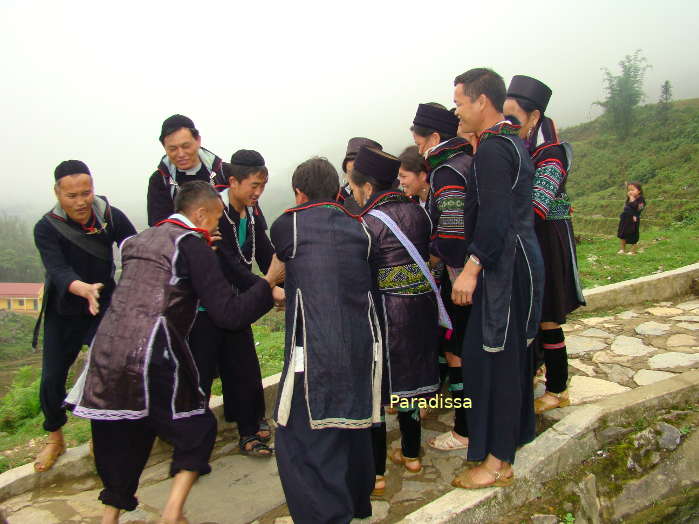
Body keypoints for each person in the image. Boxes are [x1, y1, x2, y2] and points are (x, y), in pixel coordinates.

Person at [65, 181, 284, 524]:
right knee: (196, 427)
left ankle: (109, 518)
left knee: (124, 434)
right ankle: (172, 512)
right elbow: (229, 315)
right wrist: (268, 281)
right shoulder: (194, 247)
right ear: (199, 214)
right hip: (153, 351)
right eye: (213, 220)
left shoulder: (139, 240)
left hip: (106, 351)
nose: (215, 229)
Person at [271, 157, 382, 523]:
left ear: (298, 193)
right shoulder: (362, 229)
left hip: (314, 350)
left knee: (301, 440)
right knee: (353, 424)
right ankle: (357, 504)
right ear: (337, 191)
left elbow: (285, 260)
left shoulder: (288, 226)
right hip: (360, 347)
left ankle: (329, 516)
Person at [450, 68, 544, 489]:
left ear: (480, 101)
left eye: (459, 102)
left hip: (504, 265)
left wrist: (471, 270)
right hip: (516, 261)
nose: (457, 109)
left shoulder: (492, 150)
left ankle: (498, 462)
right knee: (493, 355)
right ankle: (506, 442)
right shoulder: (509, 142)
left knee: (498, 360)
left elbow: (495, 219)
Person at [32, 160, 136, 472]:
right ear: (57, 193)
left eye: (86, 193)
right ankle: (55, 436)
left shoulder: (109, 216)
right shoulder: (47, 227)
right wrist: (82, 288)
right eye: (72, 195)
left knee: (102, 374)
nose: (80, 201)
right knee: (51, 378)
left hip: (103, 306)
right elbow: (58, 269)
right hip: (64, 309)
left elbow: (132, 245)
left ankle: (99, 436)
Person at [349, 146, 441, 494]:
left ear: (367, 187)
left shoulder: (366, 222)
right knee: (412, 381)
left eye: (355, 187)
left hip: (385, 313)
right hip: (420, 308)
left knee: (378, 389)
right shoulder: (419, 212)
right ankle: (413, 455)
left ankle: (376, 474)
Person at [188, 149, 281, 457]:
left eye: (262, 185)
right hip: (204, 306)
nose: (258, 192)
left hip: (235, 304)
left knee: (243, 368)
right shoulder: (216, 211)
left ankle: (249, 429)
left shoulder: (252, 211)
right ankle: (192, 446)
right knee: (198, 375)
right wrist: (268, 289)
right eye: (253, 185)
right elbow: (230, 265)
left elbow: (266, 252)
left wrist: (287, 283)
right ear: (233, 182)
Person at [504, 75, 586, 414]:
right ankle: (541, 371)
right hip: (531, 238)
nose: (507, 125)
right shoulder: (525, 149)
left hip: (549, 241)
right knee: (535, 316)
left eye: (513, 119)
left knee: (549, 315)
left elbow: (537, 204)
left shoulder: (552, 154)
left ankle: (558, 388)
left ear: (534, 117)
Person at [411, 102, 474, 452]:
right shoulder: (466, 161)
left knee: (456, 352)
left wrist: (432, 252)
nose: (420, 149)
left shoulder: (447, 171)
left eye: (420, 141)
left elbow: (451, 231)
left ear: (434, 137)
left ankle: (465, 428)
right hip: (471, 270)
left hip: (460, 274)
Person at [147, 114, 226, 226]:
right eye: (173, 149)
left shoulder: (222, 173)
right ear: (164, 147)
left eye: (185, 146)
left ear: (198, 140)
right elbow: (159, 227)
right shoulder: (160, 180)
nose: (181, 154)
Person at [336, 137, 383, 214]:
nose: (353, 178)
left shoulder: (387, 198)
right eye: (349, 172)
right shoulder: (339, 198)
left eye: (357, 172)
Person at [617, 182, 646, 255]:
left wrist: (635, 215)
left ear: (639, 191)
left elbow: (639, 208)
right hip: (625, 217)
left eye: (633, 190)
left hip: (633, 219)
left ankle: (633, 251)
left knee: (633, 234)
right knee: (622, 233)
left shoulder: (641, 199)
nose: (630, 192)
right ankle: (622, 249)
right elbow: (627, 207)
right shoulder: (629, 198)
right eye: (629, 190)